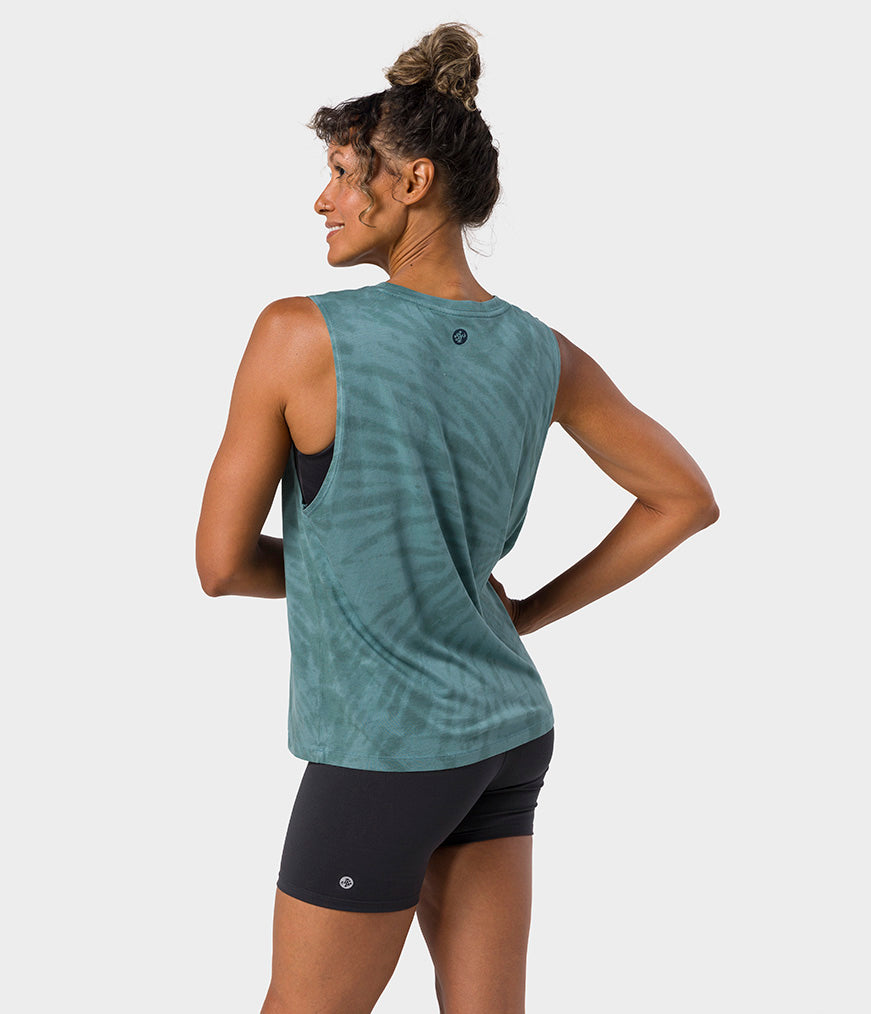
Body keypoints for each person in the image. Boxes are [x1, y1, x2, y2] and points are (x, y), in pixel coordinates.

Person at [195, 22, 719, 1014]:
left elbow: (220, 566)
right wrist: (521, 615)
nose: (321, 200)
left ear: (412, 182)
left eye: (342, 174)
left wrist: (351, 578)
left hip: (390, 745)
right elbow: (682, 498)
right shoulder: (541, 351)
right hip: (506, 728)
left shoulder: (298, 334)